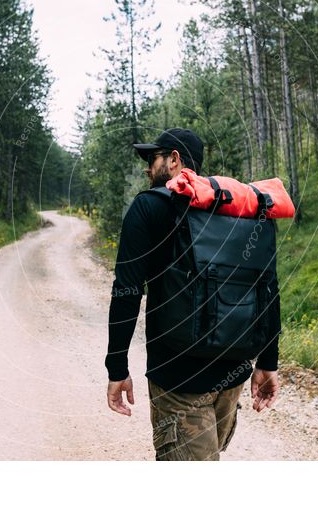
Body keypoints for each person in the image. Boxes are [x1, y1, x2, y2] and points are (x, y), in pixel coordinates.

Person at [104, 127, 281, 461]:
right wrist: (267, 362)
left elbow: (127, 291)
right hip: (233, 375)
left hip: (177, 380)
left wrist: (117, 368)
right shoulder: (237, 210)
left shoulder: (148, 207)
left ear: (174, 160)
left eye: (153, 158)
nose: (147, 167)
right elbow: (267, 287)